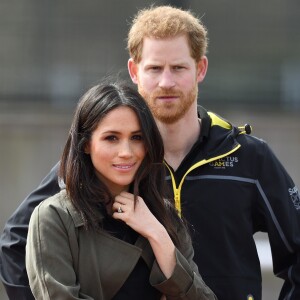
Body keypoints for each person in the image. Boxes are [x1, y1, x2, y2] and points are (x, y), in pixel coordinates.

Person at [0, 5, 299, 300]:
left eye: (178, 68)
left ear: (200, 69)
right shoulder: (109, 162)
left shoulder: (248, 157)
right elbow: (16, 241)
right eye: (155, 68)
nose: (166, 82)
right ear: (134, 71)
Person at [25, 81, 217, 299]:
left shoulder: (163, 217)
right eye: (111, 138)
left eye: (137, 137)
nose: (126, 152)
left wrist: (157, 235)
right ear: (86, 143)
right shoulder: (54, 218)